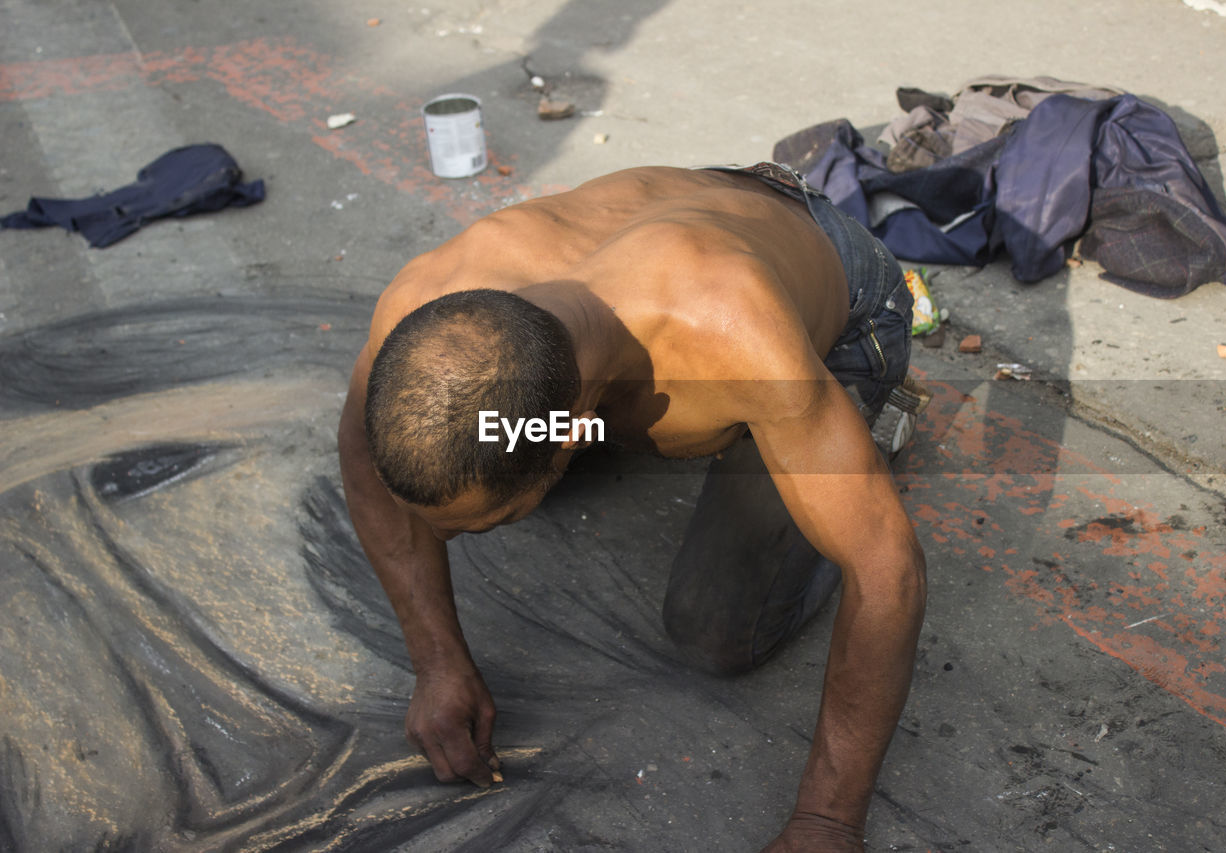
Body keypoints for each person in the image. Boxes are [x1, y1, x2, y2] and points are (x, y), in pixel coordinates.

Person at [338, 163, 928, 852]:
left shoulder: (730, 330)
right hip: (672, 241)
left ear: (565, 439)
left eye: (490, 526)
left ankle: (871, 423)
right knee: (474, 461)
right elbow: (362, 454)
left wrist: (828, 821)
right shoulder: (423, 307)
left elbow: (890, 570)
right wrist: (435, 659)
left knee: (716, 631)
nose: (450, 540)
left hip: (838, 299)